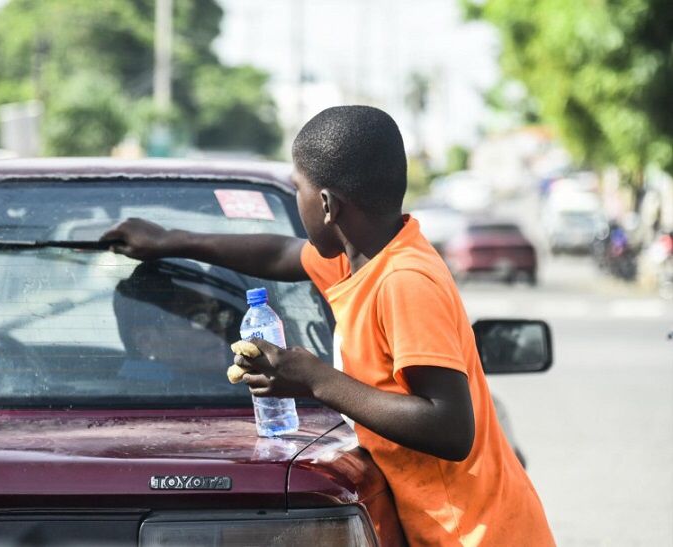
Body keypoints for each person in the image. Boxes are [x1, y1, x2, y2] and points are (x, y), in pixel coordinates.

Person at [102, 106, 554, 545]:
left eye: (298, 188)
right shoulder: (361, 258)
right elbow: (279, 254)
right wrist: (170, 241)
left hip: (478, 534)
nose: (298, 200)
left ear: (325, 204)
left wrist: (317, 380)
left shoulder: (404, 281)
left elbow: (451, 429)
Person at [112, 259, 243, 389]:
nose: (219, 327)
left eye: (220, 314)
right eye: (198, 319)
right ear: (146, 341)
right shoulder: (157, 399)